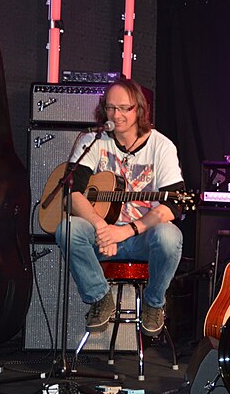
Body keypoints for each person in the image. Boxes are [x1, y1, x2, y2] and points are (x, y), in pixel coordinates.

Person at [55, 78, 185, 337]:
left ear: (139, 109)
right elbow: (72, 194)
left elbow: (173, 206)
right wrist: (102, 227)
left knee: (170, 236)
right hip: (102, 235)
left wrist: (124, 232)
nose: (117, 115)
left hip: (141, 239)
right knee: (67, 228)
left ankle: (154, 303)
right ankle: (100, 298)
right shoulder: (93, 141)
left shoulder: (162, 146)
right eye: (111, 108)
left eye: (125, 108)